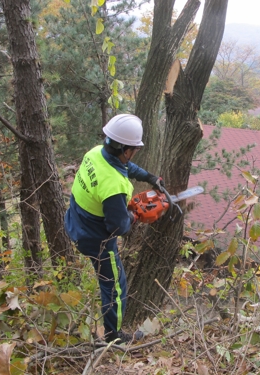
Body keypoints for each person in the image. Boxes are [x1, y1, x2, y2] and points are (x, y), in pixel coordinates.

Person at [64, 114, 164, 343]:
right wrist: (133, 215)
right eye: (134, 150)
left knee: (110, 283)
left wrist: (150, 178)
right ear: (127, 149)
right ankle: (113, 337)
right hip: (95, 239)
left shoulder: (96, 153)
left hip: (75, 220)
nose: (134, 154)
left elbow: (125, 166)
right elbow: (118, 228)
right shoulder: (114, 185)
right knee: (115, 286)